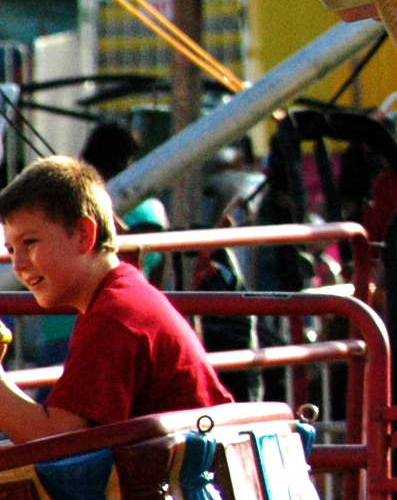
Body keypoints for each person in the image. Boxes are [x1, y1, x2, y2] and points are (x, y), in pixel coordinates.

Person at [0, 157, 230, 441]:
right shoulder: (119, 297)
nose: (18, 264)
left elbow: (59, 441)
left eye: (30, 242)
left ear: (84, 234)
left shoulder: (113, 318)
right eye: (11, 250)